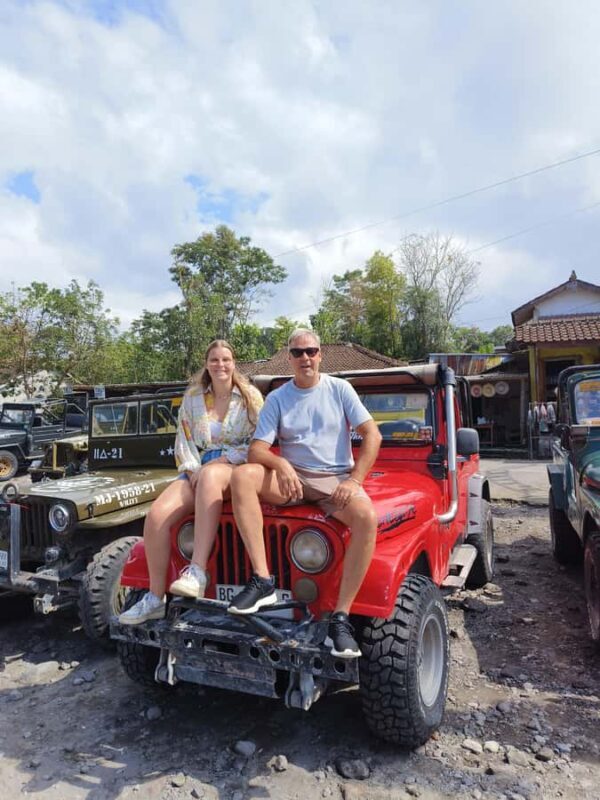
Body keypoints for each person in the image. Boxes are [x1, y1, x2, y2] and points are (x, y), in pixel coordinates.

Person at [227, 329, 382, 658]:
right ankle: (262, 580)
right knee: (242, 477)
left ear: (320, 354)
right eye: (297, 353)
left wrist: (354, 480)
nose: (305, 358)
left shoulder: (339, 389)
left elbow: (373, 435)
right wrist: (280, 464)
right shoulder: (279, 397)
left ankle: (340, 618)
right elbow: (257, 450)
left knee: (367, 518)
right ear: (289, 358)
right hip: (293, 479)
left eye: (310, 351)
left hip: (334, 478)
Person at [119, 340, 263, 625]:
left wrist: (223, 461)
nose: (220, 365)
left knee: (211, 475)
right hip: (198, 466)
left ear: (234, 363)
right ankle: (154, 597)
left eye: (225, 359)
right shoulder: (194, 397)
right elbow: (183, 439)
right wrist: (192, 468)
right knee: (157, 516)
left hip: (236, 465)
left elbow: (260, 440)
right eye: (214, 360)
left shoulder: (251, 397)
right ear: (206, 364)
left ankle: (196, 571)